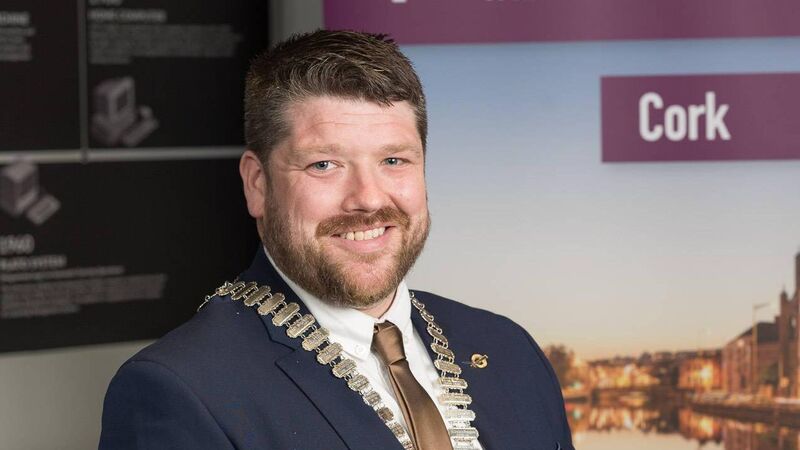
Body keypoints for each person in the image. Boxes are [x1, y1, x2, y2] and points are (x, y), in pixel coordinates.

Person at [99, 30, 573, 450]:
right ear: (257, 184)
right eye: (324, 164)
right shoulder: (181, 389)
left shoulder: (508, 348)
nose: (368, 199)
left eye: (394, 161)